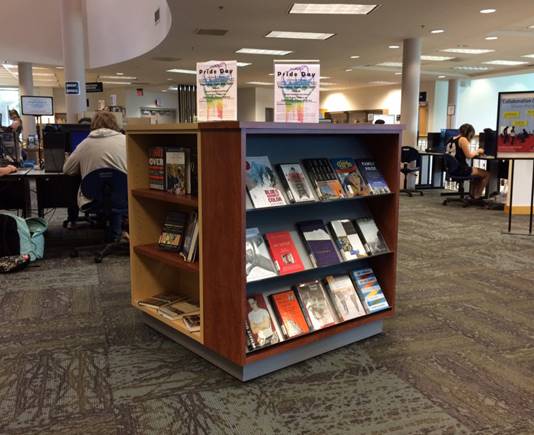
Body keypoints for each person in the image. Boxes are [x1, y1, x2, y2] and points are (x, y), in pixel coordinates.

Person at [63, 112, 127, 240]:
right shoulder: (126, 141)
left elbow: (67, 170)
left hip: (93, 199)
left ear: (93, 125)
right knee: (115, 193)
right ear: (115, 124)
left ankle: (112, 231)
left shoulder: (84, 144)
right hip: (123, 197)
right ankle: (117, 231)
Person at [446, 123, 490, 199]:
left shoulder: (451, 139)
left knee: (477, 175)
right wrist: (478, 151)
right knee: (487, 174)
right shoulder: (463, 139)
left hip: (452, 169)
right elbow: (468, 156)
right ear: (470, 133)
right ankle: (477, 196)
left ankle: (472, 195)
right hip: (461, 169)